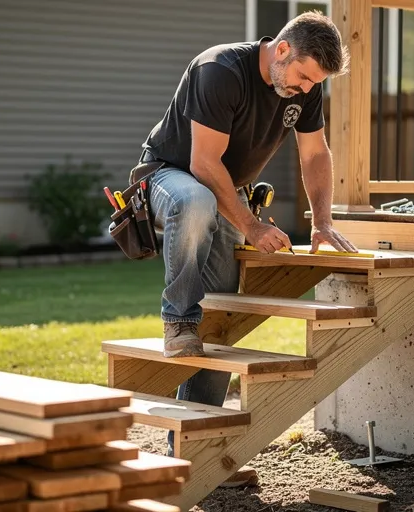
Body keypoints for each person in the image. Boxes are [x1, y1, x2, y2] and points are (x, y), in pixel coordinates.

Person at [136, 11, 359, 486]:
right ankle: (177, 318)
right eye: (301, 77)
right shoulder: (219, 70)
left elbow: (316, 153)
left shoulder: (304, 86)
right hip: (170, 176)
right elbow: (202, 163)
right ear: (281, 50)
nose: (303, 89)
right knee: (196, 202)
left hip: (226, 191)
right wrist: (253, 227)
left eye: (312, 83)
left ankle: (198, 451)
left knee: (221, 318)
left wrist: (321, 222)